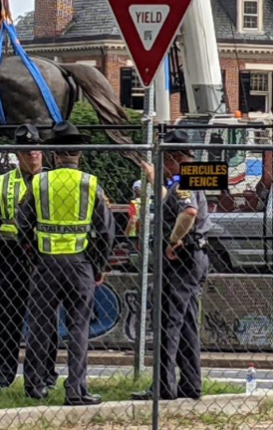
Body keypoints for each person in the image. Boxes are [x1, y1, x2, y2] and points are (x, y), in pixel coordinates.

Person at [18, 121, 115, 405]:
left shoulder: (39, 183)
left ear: (54, 154)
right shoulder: (90, 183)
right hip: (80, 265)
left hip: (46, 265)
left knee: (40, 326)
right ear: (79, 155)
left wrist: (34, 253)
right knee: (78, 327)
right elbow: (107, 231)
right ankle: (76, 389)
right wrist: (98, 265)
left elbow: (22, 224)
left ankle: (34, 385)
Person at [132, 128, 210, 402]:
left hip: (181, 261)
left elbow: (188, 212)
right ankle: (191, 384)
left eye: (165, 161)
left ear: (176, 158)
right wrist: (155, 178)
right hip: (196, 258)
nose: (164, 167)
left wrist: (173, 240)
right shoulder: (192, 178)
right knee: (187, 323)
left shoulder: (184, 181)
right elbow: (175, 199)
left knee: (167, 323)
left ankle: (163, 387)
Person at [0, 123, 46, 391]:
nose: (33, 154)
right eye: (27, 150)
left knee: (44, 323)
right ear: (17, 154)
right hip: (10, 258)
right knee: (7, 320)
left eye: (36, 149)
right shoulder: (4, 182)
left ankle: (44, 376)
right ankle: (1, 378)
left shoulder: (51, 179)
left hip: (43, 258)